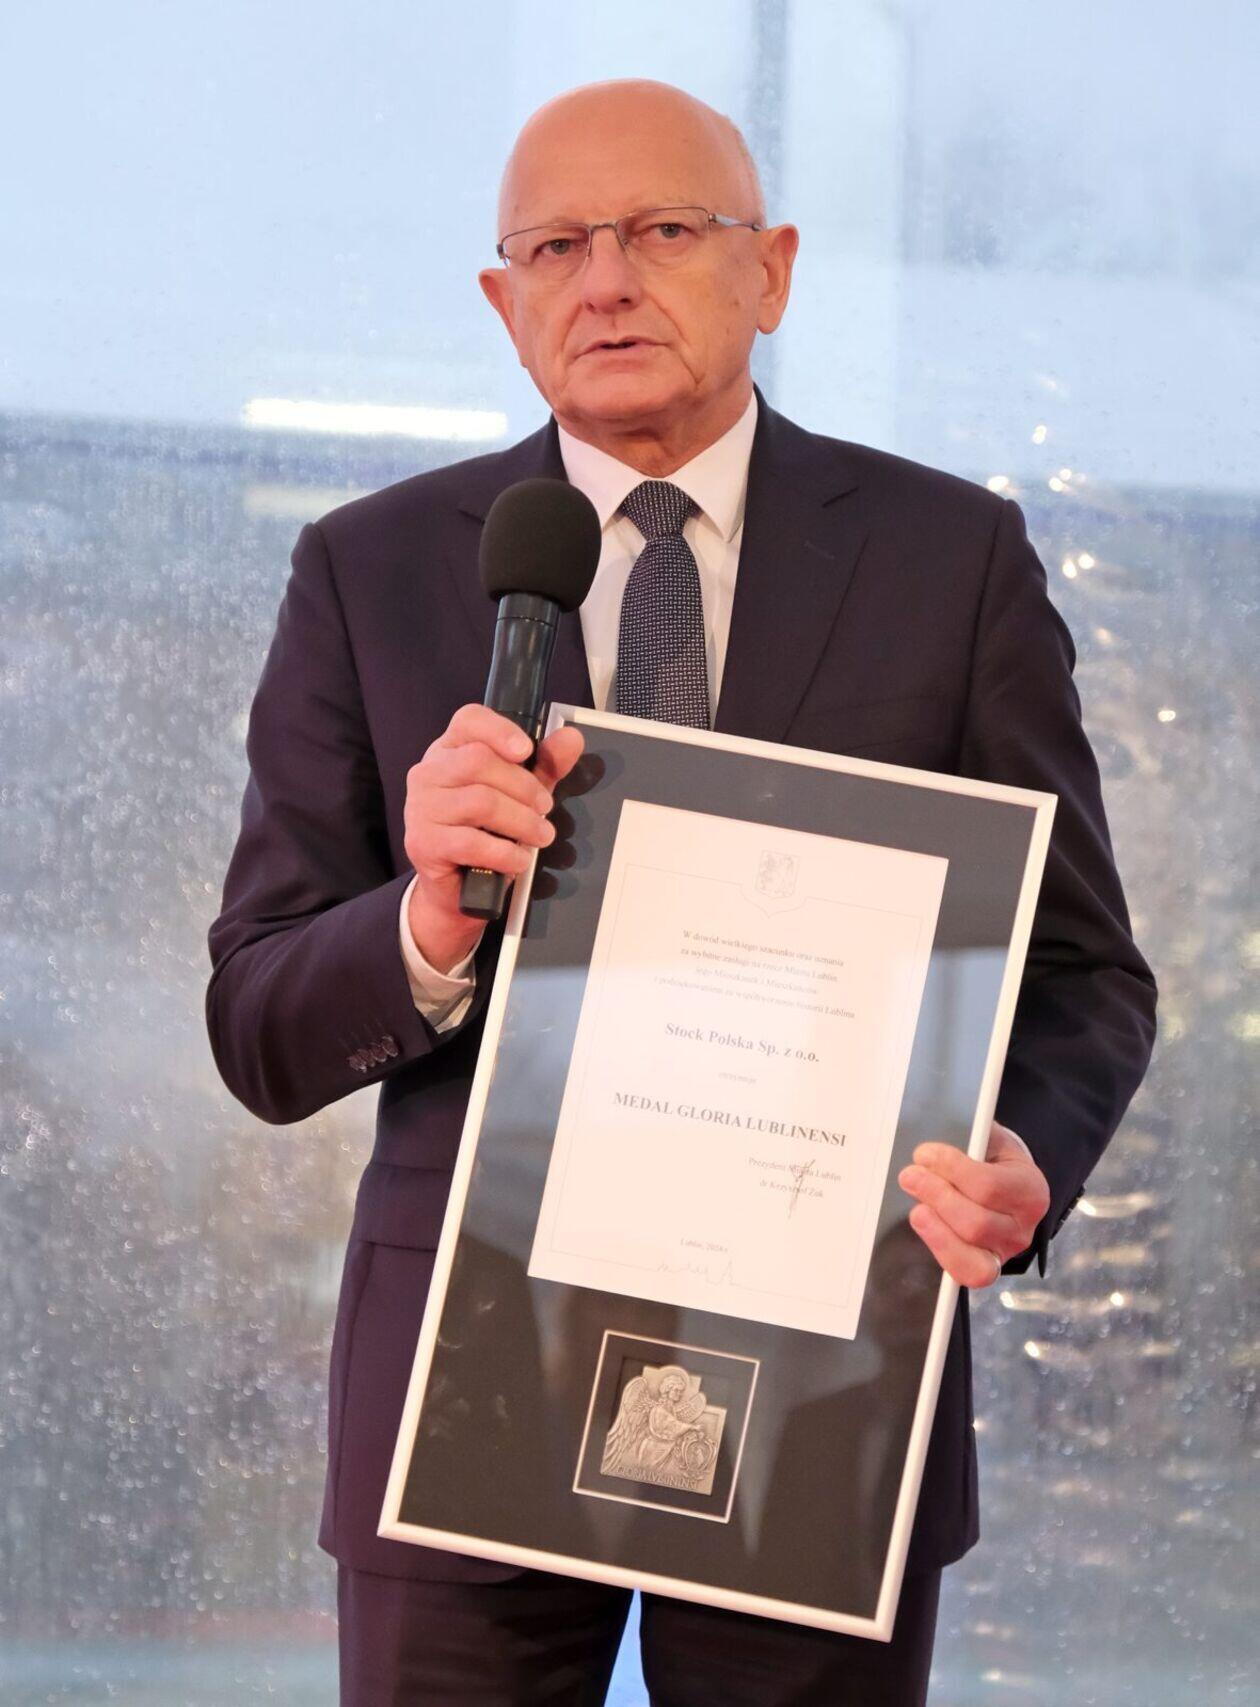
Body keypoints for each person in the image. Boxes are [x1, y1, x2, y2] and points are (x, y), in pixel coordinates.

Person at [206, 78, 1156, 1706]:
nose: (604, 282)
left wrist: (1025, 1158)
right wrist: (426, 922)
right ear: (504, 304)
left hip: (830, 1386)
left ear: (769, 271)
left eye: (660, 230)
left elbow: (1081, 975)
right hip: (464, 1394)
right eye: (554, 247)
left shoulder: (951, 562)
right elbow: (258, 1023)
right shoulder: (372, 569)